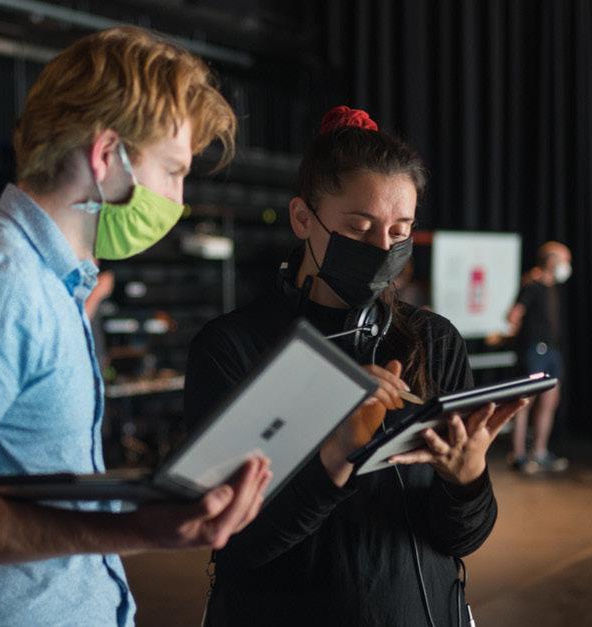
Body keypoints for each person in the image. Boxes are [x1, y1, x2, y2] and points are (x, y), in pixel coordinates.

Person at [0, 27, 271, 627]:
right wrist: (134, 528)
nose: (178, 198)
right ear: (107, 156)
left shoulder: (52, 286)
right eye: (172, 171)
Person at [186, 106, 528, 627]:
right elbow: (233, 544)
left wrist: (467, 480)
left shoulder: (434, 342)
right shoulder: (233, 348)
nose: (383, 249)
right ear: (303, 218)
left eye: (400, 231)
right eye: (360, 228)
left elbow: (462, 539)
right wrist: (337, 452)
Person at [502, 241, 572, 474]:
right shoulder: (531, 285)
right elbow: (514, 315)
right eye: (564, 260)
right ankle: (518, 455)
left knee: (550, 401)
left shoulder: (553, 286)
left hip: (553, 350)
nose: (567, 266)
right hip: (535, 350)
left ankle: (540, 451)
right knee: (525, 401)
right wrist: (516, 333)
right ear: (551, 260)